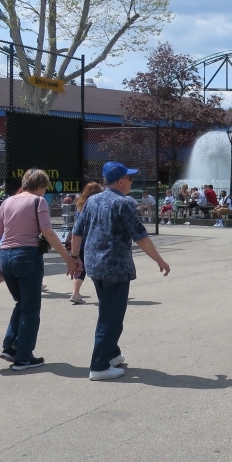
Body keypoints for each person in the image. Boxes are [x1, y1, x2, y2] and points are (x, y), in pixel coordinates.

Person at [70, 162, 171, 381]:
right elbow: (141, 237)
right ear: (121, 181)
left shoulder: (92, 201)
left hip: (94, 264)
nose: (132, 183)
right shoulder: (124, 204)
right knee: (111, 317)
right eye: (130, 179)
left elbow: (77, 231)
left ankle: (112, 354)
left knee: (108, 311)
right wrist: (160, 260)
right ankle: (99, 366)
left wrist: (74, 257)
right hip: (115, 266)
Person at [0, 168, 80, 370]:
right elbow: (47, 232)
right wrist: (68, 258)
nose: (44, 193)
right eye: (44, 189)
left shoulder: (7, 202)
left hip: (6, 256)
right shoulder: (38, 202)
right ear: (39, 186)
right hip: (27, 256)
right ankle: (24, 357)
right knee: (31, 308)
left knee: (21, 302)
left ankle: (11, 345)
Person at [66, 181, 102, 304]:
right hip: (90, 240)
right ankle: (76, 293)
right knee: (89, 267)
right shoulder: (96, 204)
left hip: (79, 240)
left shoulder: (80, 204)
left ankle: (75, 293)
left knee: (80, 266)